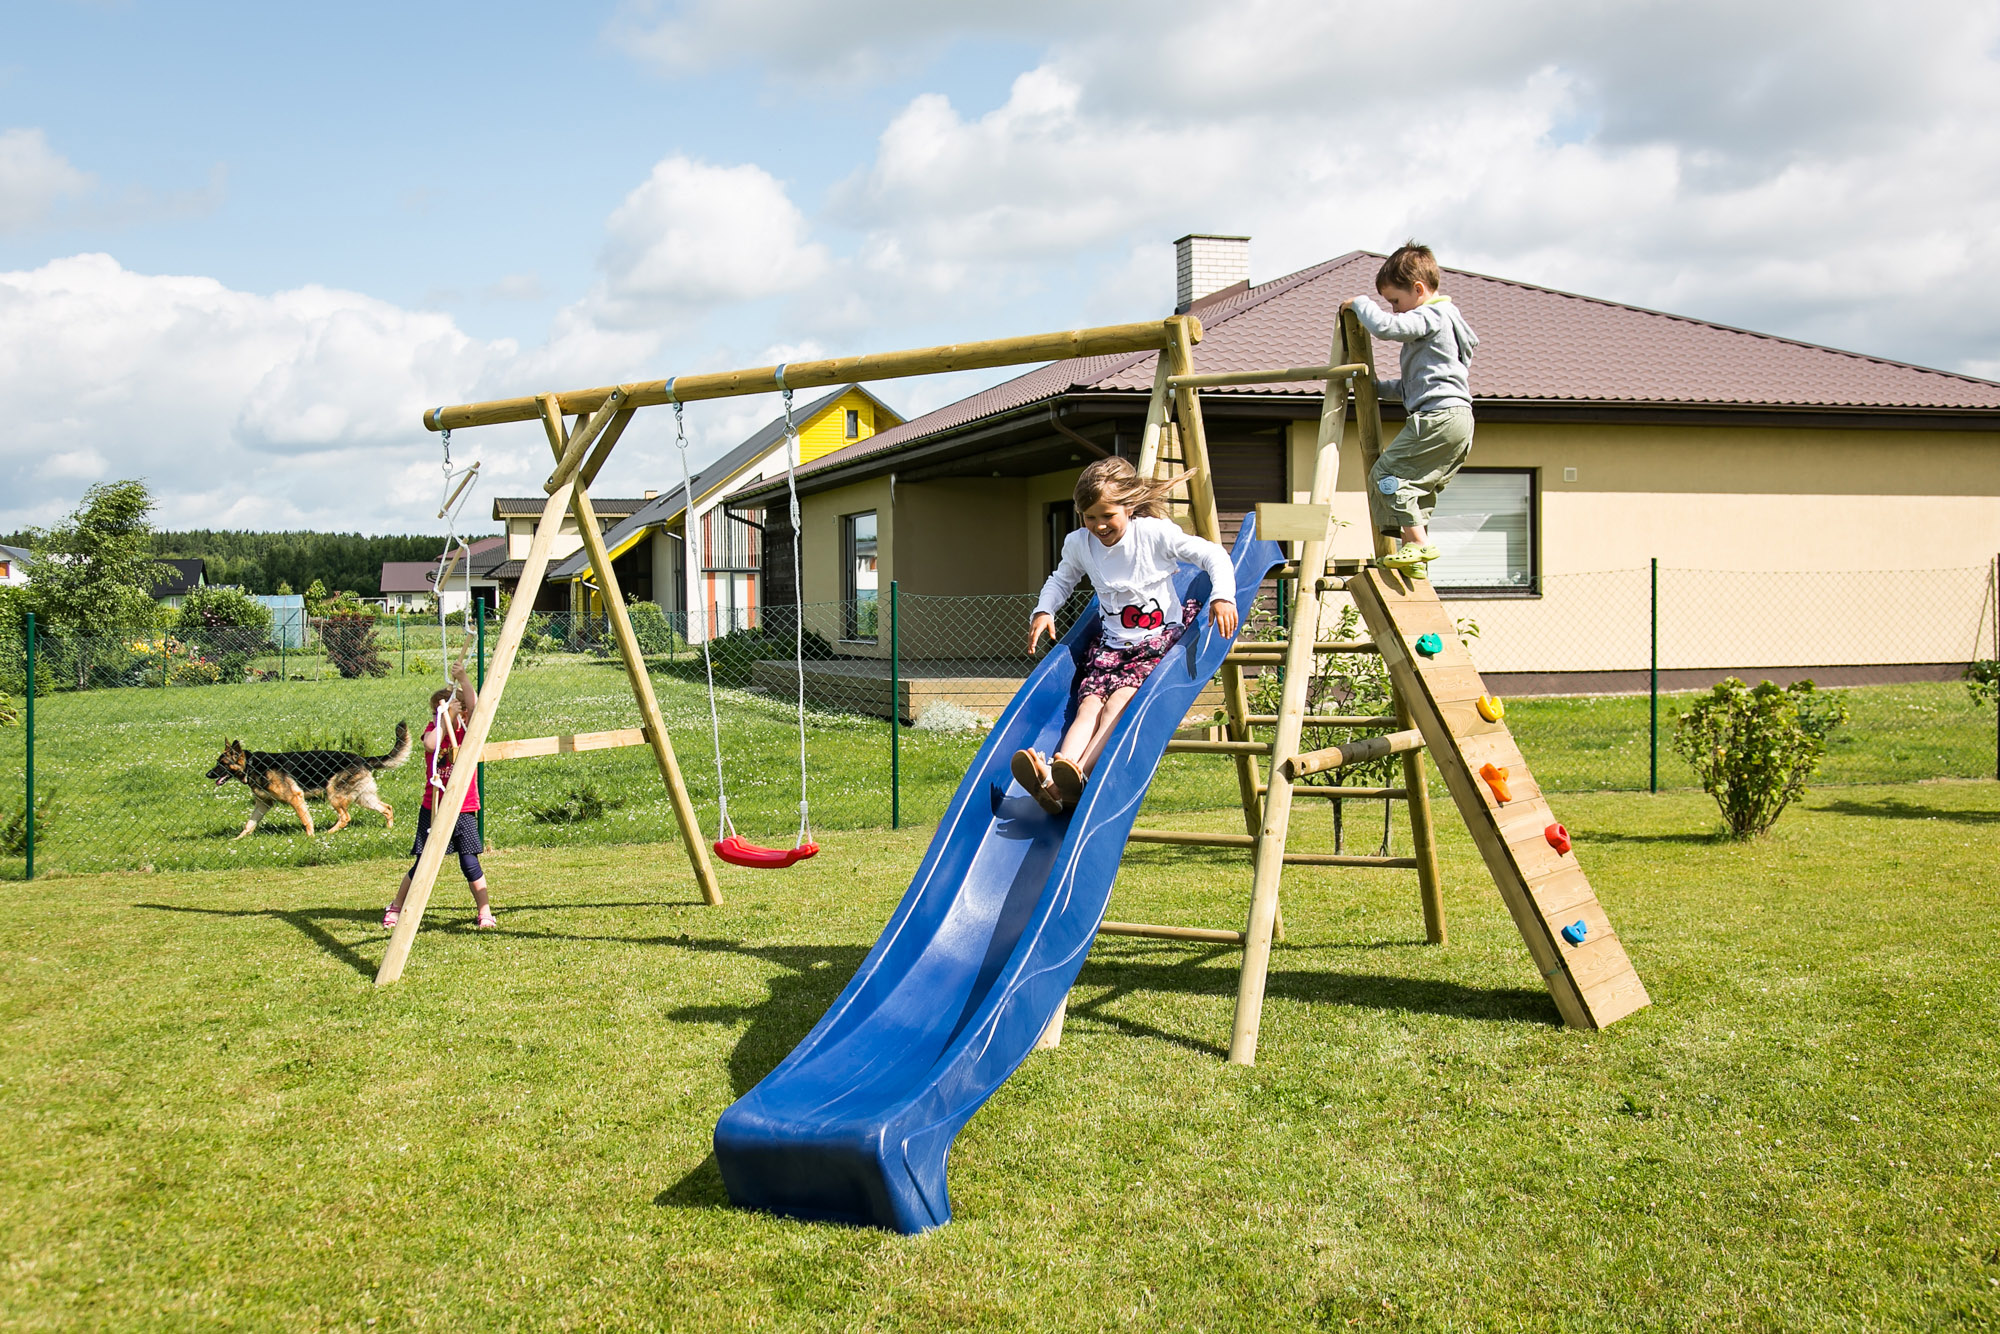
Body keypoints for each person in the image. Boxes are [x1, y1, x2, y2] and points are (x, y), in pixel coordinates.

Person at [1012, 457, 1239, 815]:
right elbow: (1061, 579)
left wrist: (1223, 595)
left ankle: (1078, 774)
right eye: (1090, 517)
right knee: (1088, 706)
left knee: (1117, 704)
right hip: (1111, 646)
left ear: (1129, 507)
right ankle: (1059, 775)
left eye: (1107, 515)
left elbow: (1213, 555)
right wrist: (1044, 609)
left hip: (1156, 642)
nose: (1099, 525)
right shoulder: (1079, 544)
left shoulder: (1153, 534)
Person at [1341, 241, 1480, 575]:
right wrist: (1370, 389)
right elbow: (1410, 388)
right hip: (1459, 418)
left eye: (1395, 301)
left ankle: (1418, 543)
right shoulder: (1447, 327)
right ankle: (1415, 558)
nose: (1395, 310)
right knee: (1419, 487)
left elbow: (1388, 329)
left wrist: (1361, 304)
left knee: (1386, 474)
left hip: (1437, 417)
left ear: (1418, 290)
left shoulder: (1431, 314)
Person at [383, 655, 493, 929]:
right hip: (433, 807)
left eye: (458, 710)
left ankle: (485, 911)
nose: (435, 717)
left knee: (469, 863)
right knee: (422, 863)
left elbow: (478, 707)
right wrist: (445, 719)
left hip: (464, 807)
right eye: (436, 713)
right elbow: (431, 745)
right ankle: (396, 906)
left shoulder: (469, 731)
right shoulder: (435, 730)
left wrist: (464, 678)